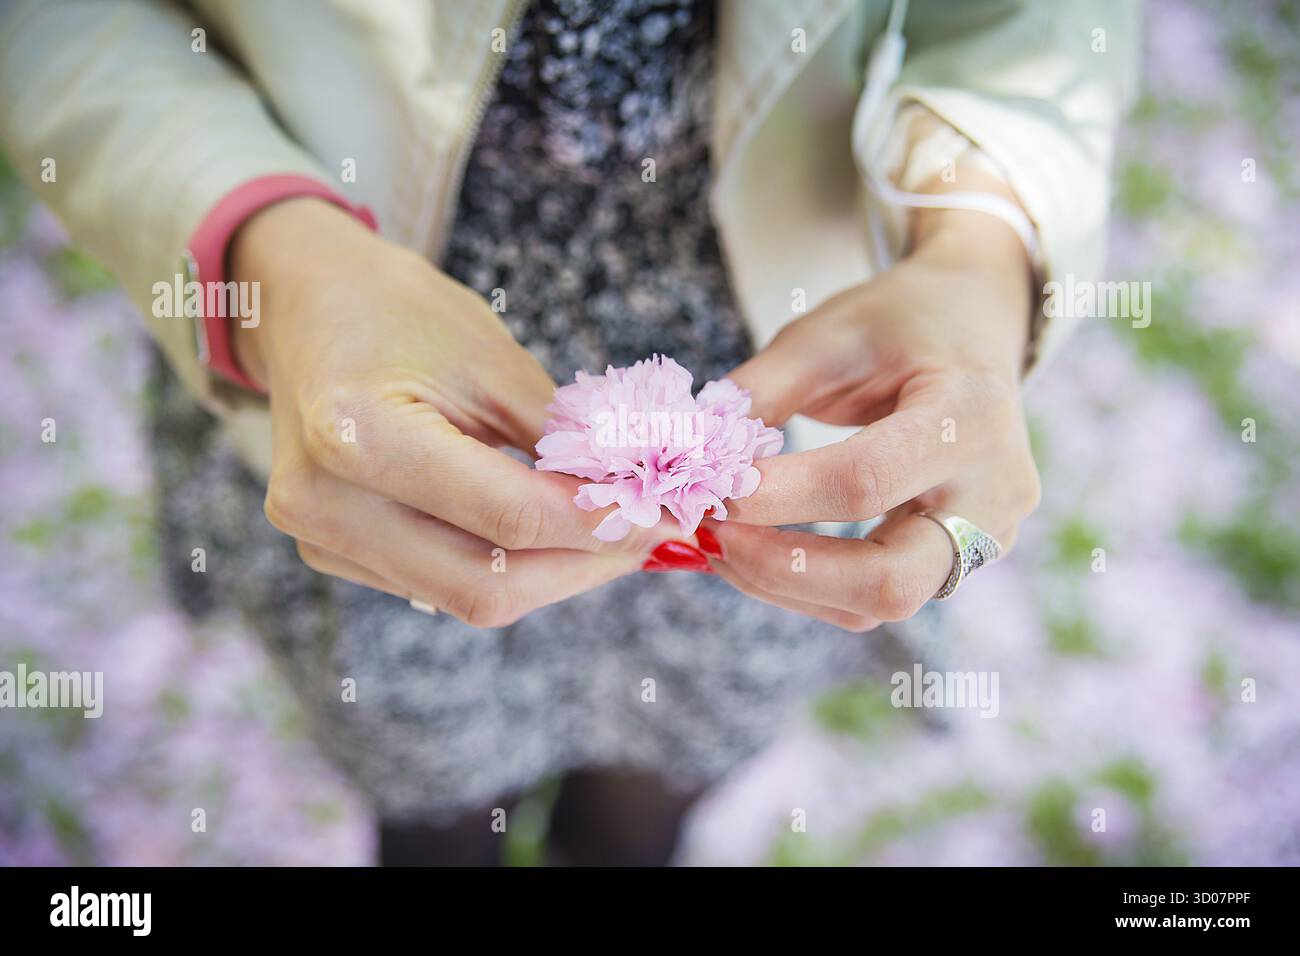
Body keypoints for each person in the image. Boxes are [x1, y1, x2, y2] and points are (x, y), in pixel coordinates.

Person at [0, 0, 1138, 864]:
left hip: (783, 373)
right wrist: (275, 259)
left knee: (654, 799)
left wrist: (981, 243)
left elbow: (1029, 25)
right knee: (429, 807)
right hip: (360, 358)